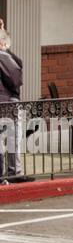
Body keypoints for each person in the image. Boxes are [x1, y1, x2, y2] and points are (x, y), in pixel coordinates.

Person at [0, 28, 25, 183]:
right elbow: (15, 78)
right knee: (12, 137)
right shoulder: (3, 56)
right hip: (7, 102)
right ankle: (13, 172)